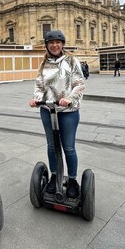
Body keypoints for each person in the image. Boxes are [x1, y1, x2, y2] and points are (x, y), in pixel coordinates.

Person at [29, 30, 85, 199]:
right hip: (48, 110)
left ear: (62, 44)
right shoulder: (43, 63)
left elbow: (79, 84)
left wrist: (69, 98)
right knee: (52, 146)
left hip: (68, 112)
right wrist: (37, 99)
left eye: (57, 42)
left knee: (68, 147)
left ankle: (73, 180)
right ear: (47, 45)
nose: (54, 45)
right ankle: (54, 176)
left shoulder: (72, 60)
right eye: (51, 42)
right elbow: (39, 86)